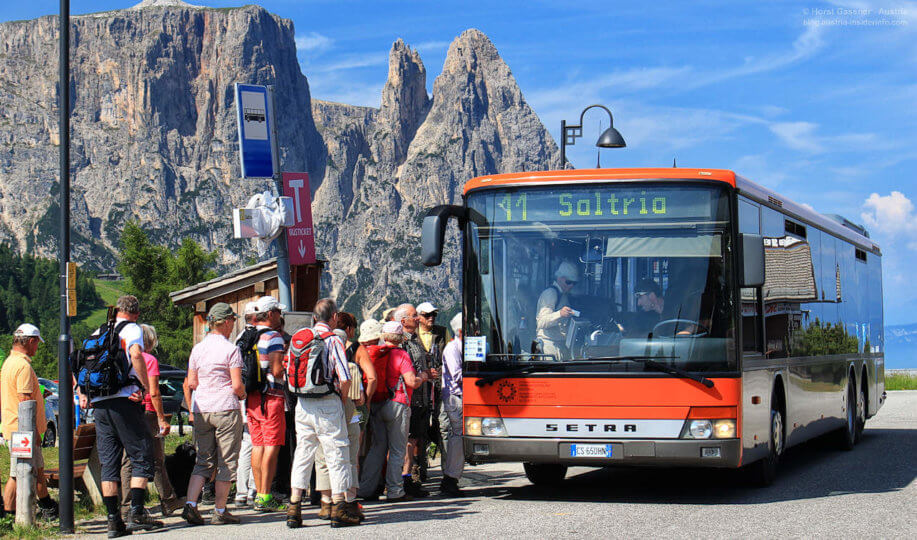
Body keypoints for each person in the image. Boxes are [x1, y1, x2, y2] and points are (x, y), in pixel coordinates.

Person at [83, 295, 162, 537]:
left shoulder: (99, 330)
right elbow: (136, 354)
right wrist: (143, 386)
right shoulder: (132, 329)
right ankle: (136, 512)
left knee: (110, 463)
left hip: (100, 403)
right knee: (141, 453)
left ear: (117, 310)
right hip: (123, 399)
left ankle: (113, 521)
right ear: (136, 313)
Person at [286, 299, 361, 529]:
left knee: (303, 453)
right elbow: (345, 377)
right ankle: (340, 507)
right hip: (327, 402)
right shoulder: (332, 340)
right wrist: (342, 398)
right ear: (334, 317)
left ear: (314, 317)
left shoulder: (299, 338)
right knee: (336, 452)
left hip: (303, 403)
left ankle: (294, 507)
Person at [181, 303, 246, 526]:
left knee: (203, 460)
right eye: (233, 321)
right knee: (227, 462)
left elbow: (191, 382)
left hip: (202, 408)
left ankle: (191, 505)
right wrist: (243, 393)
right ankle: (220, 510)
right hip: (226, 408)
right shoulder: (231, 350)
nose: (233, 325)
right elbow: (237, 385)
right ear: (226, 321)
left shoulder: (198, 349)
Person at [310, 313, 377, 520]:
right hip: (352, 408)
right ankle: (349, 499)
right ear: (348, 330)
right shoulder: (356, 349)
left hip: (318, 406)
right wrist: (365, 402)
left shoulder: (317, 347)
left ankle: (325, 502)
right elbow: (372, 377)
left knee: (322, 453)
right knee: (351, 449)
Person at [357, 321, 433, 503]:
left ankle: (365, 489)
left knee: (377, 447)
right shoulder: (401, 354)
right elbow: (411, 381)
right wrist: (424, 376)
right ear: (400, 338)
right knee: (398, 449)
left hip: (376, 403)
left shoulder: (374, 352)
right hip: (397, 404)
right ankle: (395, 491)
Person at [119, 324, 180, 518]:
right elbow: (154, 392)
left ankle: (126, 505)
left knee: (128, 459)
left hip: (127, 411)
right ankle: (168, 500)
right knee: (157, 458)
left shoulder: (123, 357)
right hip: (147, 412)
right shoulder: (149, 360)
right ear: (150, 341)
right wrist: (162, 419)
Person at [1, 324, 58, 519]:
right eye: (37, 344)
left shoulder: (9, 362)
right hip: (22, 430)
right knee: (18, 474)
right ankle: (8, 513)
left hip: (13, 426)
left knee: (32, 470)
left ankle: (46, 505)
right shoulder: (23, 366)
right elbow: (25, 401)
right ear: (31, 341)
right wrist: (33, 433)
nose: (37, 348)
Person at [246, 295, 288, 513]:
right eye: (278, 312)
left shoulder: (247, 335)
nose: (280, 316)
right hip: (271, 396)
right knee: (272, 446)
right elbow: (277, 369)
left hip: (252, 396)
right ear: (271, 314)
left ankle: (258, 494)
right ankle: (265, 495)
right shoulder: (274, 337)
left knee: (258, 445)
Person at [395, 303, 435, 496]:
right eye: (414, 316)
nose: (418, 318)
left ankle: (411, 478)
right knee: (409, 441)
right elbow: (407, 372)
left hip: (420, 398)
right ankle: (406, 479)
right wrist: (425, 375)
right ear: (403, 321)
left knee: (416, 439)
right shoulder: (403, 343)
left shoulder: (414, 340)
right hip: (411, 398)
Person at [416, 302, 448, 465]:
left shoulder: (442, 332)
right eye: (427, 315)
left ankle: (446, 467)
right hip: (418, 387)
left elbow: (447, 359)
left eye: (433, 315)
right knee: (419, 429)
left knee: (440, 425)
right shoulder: (411, 335)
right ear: (419, 317)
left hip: (437, 385)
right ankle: (420, 467)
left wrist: (437, 374)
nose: (431, 318)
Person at [233, 301, 258, 507]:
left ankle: (242, 491)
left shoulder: (239, 339)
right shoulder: (258, 337)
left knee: (246, 444)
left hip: (241, 396)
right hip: (256, 396)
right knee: (257, 442)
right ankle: (253, 489)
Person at [439, 312, 465, 497]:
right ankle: (450, 479)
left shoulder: (461, 346)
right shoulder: (452, 348)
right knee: (457, 436)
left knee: (458, 436)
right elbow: (457, 375)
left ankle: (451, 477)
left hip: (459, 396)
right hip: (455, 397)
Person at [535, 261, 580, 361]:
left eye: (574, 283)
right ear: (560, 279)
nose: (571, 286)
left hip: (560, 346)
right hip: (549, 346)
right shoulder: (550, 293)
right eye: (568, 282)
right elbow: (541, 322)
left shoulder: (563, 294)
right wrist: (559, 314)